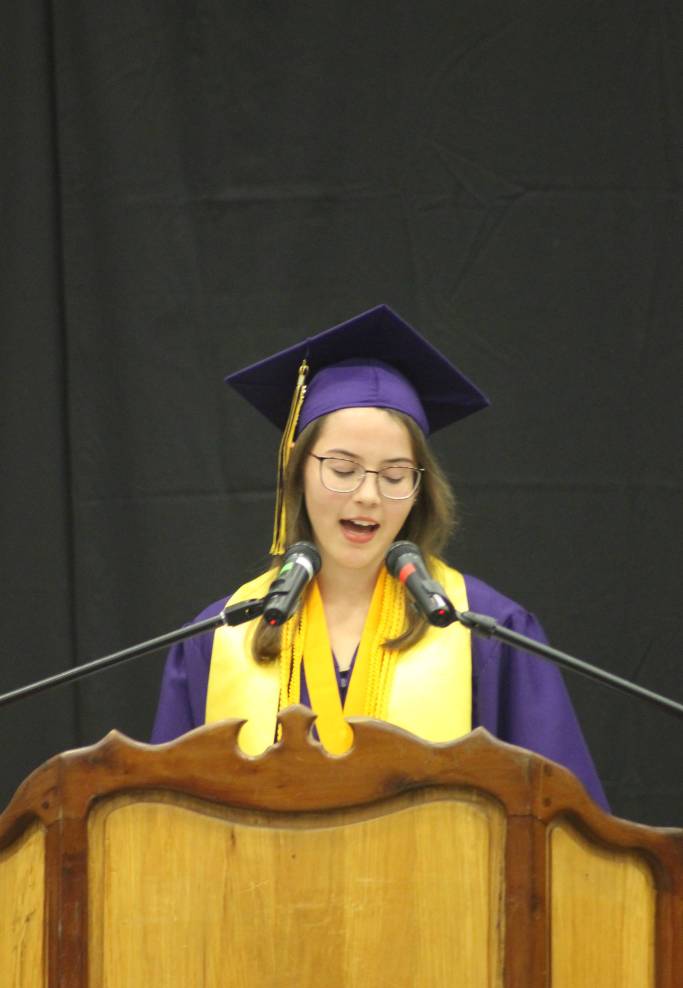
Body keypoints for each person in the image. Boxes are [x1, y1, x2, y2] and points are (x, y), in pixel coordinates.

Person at [152, 305, 608, 809]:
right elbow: (161, 830)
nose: (368, 495)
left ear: (419, 490)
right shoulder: (221, 639)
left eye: (394, 476)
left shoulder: (486, 633)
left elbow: (568, 829)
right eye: (343, 469)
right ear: (298, 473)